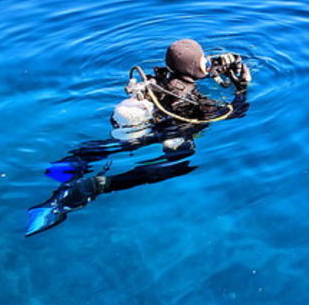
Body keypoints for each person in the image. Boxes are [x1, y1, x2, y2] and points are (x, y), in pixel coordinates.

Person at [25, 39, 251, 237]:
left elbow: (187, 70)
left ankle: (69, 164)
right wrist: (241, 89)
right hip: (172, 132)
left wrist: (212, 68)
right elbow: (234, 112)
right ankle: (97, 186)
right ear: (195, 67)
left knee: (118, 145)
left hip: (148, 123)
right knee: (179, 165)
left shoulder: (159, 80)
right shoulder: (194, 100)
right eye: (204, 60)